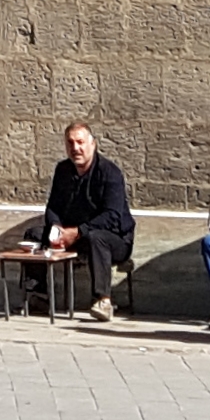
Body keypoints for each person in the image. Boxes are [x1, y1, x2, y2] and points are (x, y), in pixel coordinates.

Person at [44, 119, 134, 320]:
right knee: (33, 234)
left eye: (80, 142)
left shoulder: (110, 173)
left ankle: (103, 300)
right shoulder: (63, 170)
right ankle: (38, 293)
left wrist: (77, 232)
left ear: (92, 144)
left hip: (114, 239)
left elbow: (112, 216)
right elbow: (53, 207)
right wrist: (56, 228)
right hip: (75, 233)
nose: (75, 148)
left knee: (96, 238)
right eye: (70, 143)